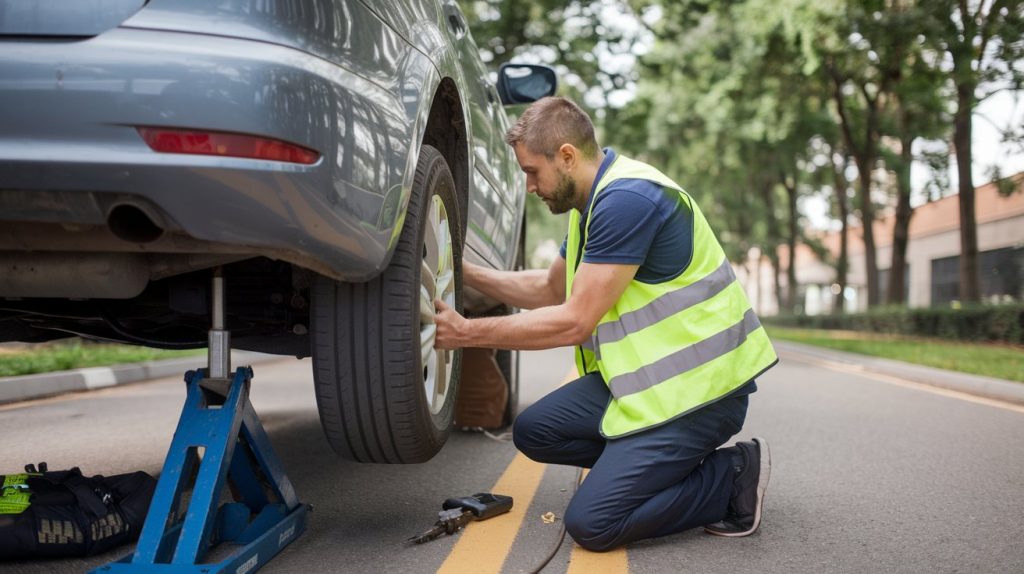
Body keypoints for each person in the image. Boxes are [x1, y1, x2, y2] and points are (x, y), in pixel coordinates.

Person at [433, 96, 778, 552]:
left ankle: (731, 476)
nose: (530, 187)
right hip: (648, 388)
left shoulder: (627, 200)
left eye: (532, 172)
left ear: (568, 156)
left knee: (593, 523)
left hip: (699, 395)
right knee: (535, 430)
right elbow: (549, 289)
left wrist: (466, 333)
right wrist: (464, 272)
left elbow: (572, 322)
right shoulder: (590, 208)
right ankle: (641, 469)